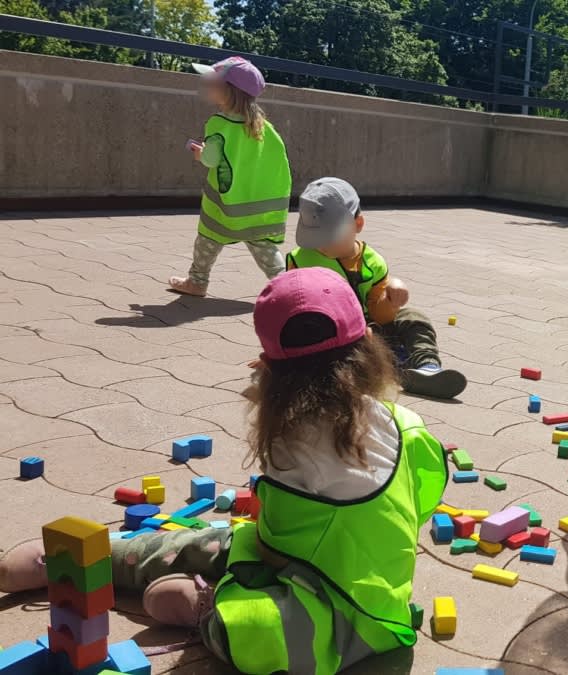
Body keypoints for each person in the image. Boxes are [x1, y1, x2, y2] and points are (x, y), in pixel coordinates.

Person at [0, 267, 448, 674]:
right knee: (237, 552)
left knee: (231, 583)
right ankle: (118, 563)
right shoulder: (406, 425)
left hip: (343, 615)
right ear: (369, 342)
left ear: (270, 365)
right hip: (367, 595)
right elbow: (427, 492)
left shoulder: (291, 436)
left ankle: (126, 570)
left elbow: (277, 531)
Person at [285, 177, 468, 400]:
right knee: (340, 351)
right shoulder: (301, 260)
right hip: (332, 333)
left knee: (413, 317)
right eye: (314, 237)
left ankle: (425, 367)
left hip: (371, 327)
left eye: (329, 236)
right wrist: (281, 354)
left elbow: (381, 316)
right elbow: (292, 311)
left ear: (358, 225)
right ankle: (388, 369)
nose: (321, 244)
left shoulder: (373, 261)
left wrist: (391, 298)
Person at [169, 57, 291, 297]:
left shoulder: (218, 123)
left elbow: (212, 160)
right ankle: (290, 288)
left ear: (227, 91)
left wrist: (200, 154)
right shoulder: (263, 126)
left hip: (224, 204)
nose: (207, 86)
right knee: (263, 247)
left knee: (208, 239)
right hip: (253, 207)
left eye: (212, 82)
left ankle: (197, 282)